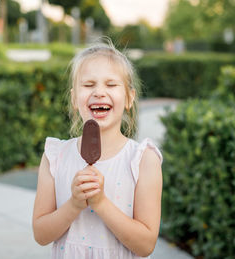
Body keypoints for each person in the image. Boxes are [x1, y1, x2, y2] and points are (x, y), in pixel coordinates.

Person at [32, 39, 163, 259]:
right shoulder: (55, 157)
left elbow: (146, 245)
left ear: (129, 98)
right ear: (74, 99)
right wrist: (73, 204)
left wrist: (101, 203)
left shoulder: (143, 160)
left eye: (111, 85)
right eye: (88, 85)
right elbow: (41, 234)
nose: (99, 92)